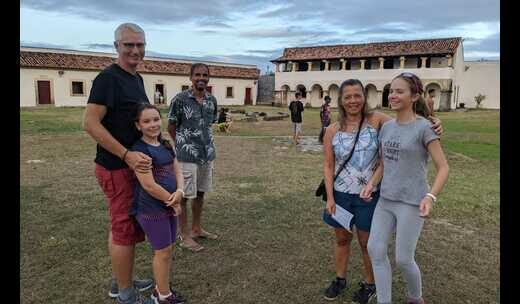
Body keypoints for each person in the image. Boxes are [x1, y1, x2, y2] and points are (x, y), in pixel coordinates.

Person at [321, 79, 444, 303]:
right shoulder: (332, 129)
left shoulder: (378, 120)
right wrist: (330, 197)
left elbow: (408, 124)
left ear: (364, 98)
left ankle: (370, 285)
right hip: (341, 195)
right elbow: (328, 165)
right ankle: (340, 279)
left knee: (368, 244)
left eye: (357, 95)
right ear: (340, 100)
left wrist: (434, 121)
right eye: (347, 97)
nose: (353, 101)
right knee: (341, 240)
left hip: (371, 196)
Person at [361, 72, 449, 304]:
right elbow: (384, 164)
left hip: (412, 202)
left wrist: (430, 197)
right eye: (392, 91)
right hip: (386, 200)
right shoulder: (387, 127)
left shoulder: (425, 128)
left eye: (400, 91)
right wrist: (371, 184)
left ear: (414, 96)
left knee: (403, 259)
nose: (393, 95)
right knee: (375, 250)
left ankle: (416, 298)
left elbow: (443, 167)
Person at [83, 23, 154, 304]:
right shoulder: (108, 79)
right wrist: (126, 154)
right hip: (115, 167)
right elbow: (90, 123)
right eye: (129, 45)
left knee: (126, 227)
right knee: (123, 229)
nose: (135, 50)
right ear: (116, 47)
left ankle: (121, 279)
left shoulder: (135, 78)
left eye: (140, 45)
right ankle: (126, 294)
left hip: (131, 167)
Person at [131, 104, 186, 304]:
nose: (153, 124)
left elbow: (177, 169)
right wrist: (172, 202)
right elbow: (148, 184)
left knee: (168, 248)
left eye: (156, 119)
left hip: (170, 204)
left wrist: (180, 191)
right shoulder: (139, 151)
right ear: (138, 125)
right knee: (162, 251)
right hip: (151, 209)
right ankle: (163, 296)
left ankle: (159, 288)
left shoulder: (165, 144)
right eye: (146, 121)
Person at [167, 63, 219, 253]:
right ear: (190, 77)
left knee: (200, 193)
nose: (201, 78)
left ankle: (197, 229)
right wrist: (181, 145)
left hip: (207, 155)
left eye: (205, 75)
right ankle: (185, 234)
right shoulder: (179, 100)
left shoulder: (211, 100)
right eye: (197, 75)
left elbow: (210, 124)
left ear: (208, 78)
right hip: (186, 156)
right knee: (184, 197)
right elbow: (171, 126)